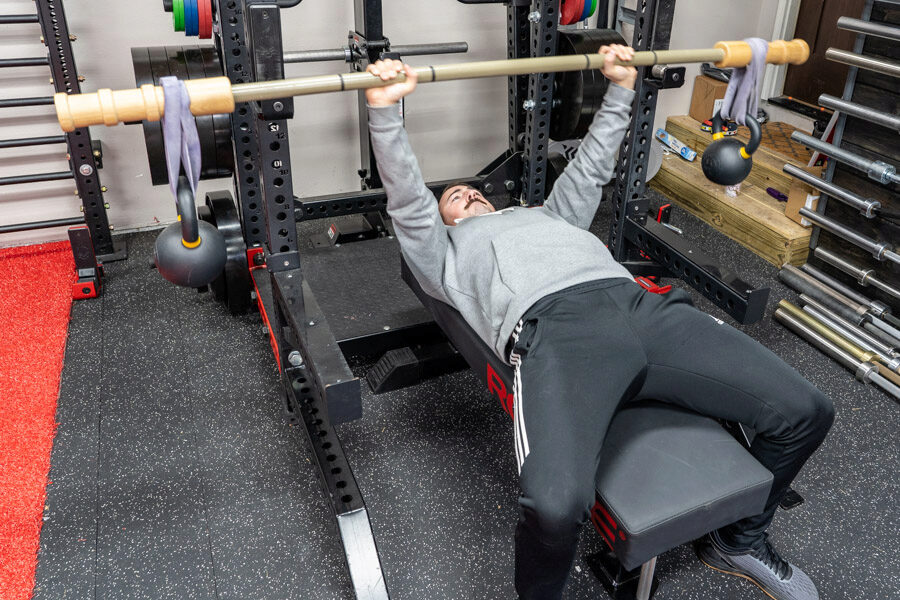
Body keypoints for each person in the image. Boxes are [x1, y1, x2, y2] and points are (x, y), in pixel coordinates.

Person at [364, 46, 833, 600]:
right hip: (558, 334)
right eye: (451, 197)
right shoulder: (442, 254)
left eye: (472, 190)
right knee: (553, 505)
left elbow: (590, 167)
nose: (465, 192)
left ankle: (738, 540)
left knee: (806, 411)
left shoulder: (549, 215)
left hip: (643, 309)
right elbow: (407, 201)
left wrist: (622, 87)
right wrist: (385, 112)